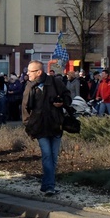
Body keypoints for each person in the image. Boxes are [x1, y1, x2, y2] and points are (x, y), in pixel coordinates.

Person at [22, 60, 72, 196]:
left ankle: (46, 185)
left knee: (53, 157)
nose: (27, 73)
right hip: (40, 127)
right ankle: (50, 186)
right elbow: (25, 108)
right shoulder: (30, 86)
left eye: (30, 71)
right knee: (47, 155)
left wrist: (62, 102)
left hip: (56, 125)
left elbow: (68, 97)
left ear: (39, 72)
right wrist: (28, 126)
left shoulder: (55, 82)